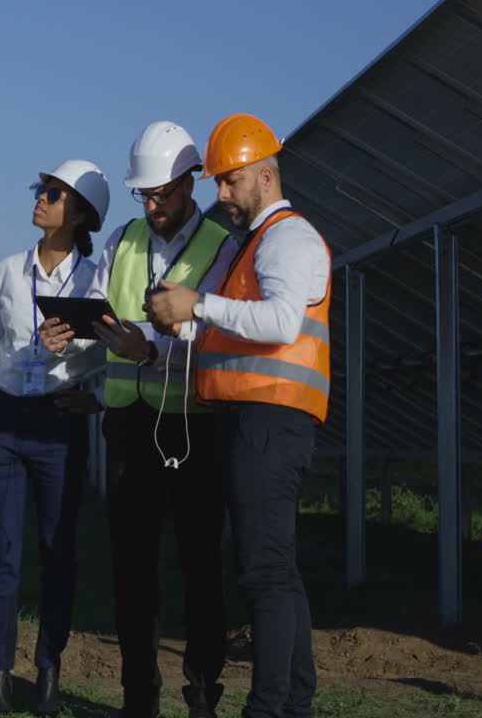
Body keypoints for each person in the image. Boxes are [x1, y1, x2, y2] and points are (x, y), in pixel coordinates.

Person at [40, 121, 239, 718]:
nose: (152, 207)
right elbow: (97, 319)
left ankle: (202, 695)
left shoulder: (222, 248)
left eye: (162, 195)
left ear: (190, 183)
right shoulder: (122, 240)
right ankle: (138, 699)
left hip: (193, 427)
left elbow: (219, 340)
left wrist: (150, 350)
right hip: (129, 429)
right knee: (132, 570)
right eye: (144, 196)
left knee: (201, 567)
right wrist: (66, 335)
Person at [146, 113, 331, 718]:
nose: (221, 193)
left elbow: (280, 322)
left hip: (270, 420)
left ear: (266, 176)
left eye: (232, 180)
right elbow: (227, 329)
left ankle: (268, 707)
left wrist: (198, 302)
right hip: (251, 418)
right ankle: (292, 702)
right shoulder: (250, 245)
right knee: (277, 570)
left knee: (264, 574)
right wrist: (170, 328)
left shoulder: (288, 238)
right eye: (219, 181)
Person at [0, 160, 109, 717]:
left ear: (81, 214)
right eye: (41, 189)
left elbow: (108, 352)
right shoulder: (5, 271)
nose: (40, 198)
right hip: (2, 417)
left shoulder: (96, 280)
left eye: (54, 193)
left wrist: (97, 397)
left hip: (58, 423)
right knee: (2, 551)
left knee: (57, 552)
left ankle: (48, 673)